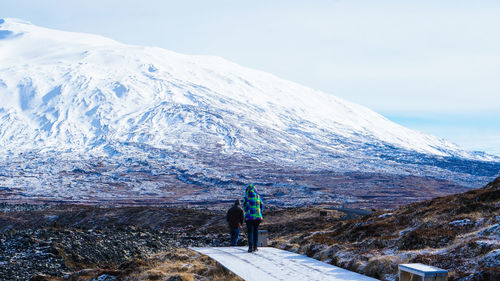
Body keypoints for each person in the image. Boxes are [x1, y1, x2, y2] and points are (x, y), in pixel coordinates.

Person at [243, 184, 263, 252]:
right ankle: (255, 247)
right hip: (257, 217)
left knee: (250, 232)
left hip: (249, 218)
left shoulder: (246, 197)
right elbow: (261, 206)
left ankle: (250, 247)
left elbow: (244, 207)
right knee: (255, 231)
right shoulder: (258, 197)